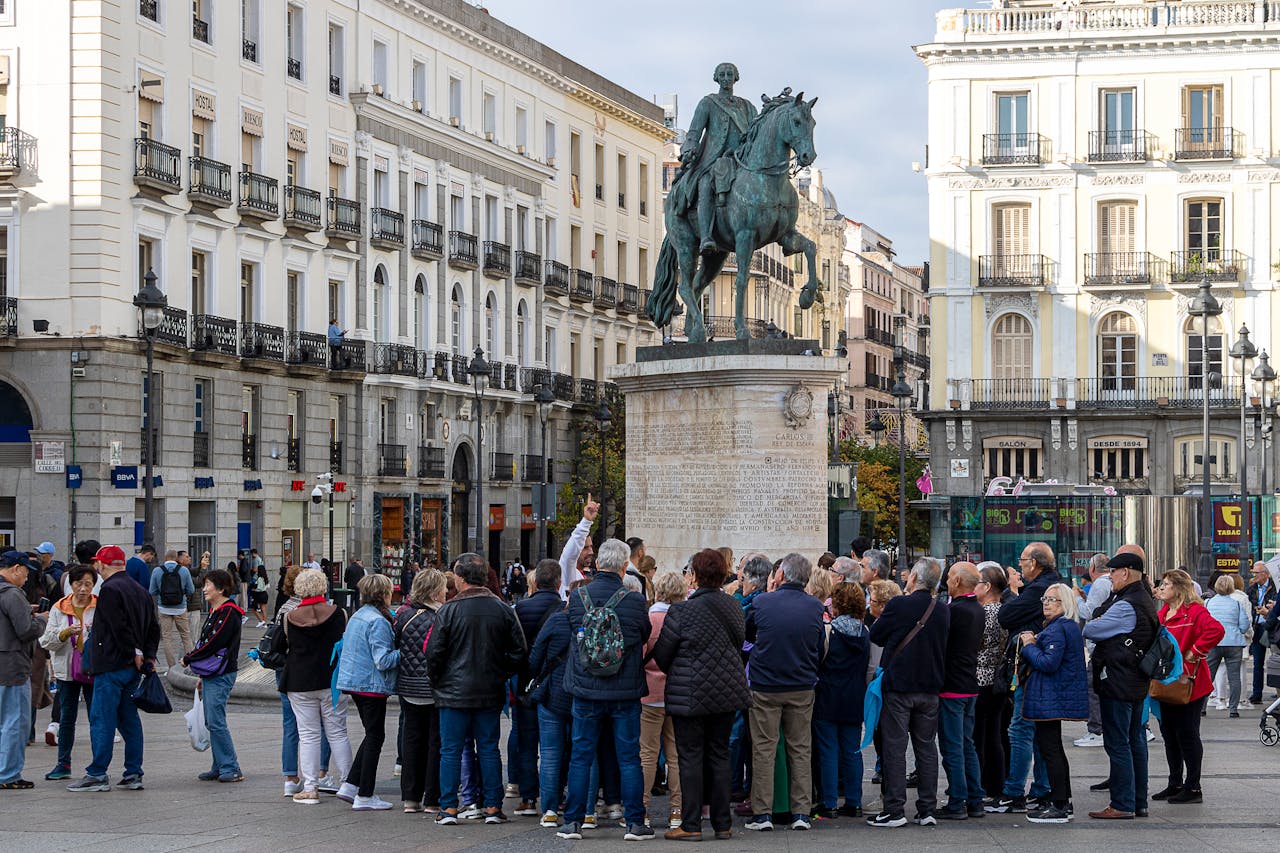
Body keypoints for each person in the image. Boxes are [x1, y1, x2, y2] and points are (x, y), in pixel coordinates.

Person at [556, 539, 653, 841]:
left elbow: (573, 632)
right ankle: (634, 823)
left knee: (581, 756)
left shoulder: (578, 596)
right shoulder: (635, 600)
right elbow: (643, 635)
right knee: (629, 757)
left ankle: (573, 822)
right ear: (624, 567)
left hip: (586, 689)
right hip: (625, 691)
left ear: (597, 564)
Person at [651, 549, 750, 841]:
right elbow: (739, 642)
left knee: (690, 757)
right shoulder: (733, 606)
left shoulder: (681, 611)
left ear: (694, 575)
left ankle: (691, 824)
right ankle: (722, 823)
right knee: (719, 754)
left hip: (690, 692)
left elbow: (663, 654)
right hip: (726, 690)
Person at [425, 553, 526, 825]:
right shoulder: (502, 609)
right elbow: (519, 651)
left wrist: (439, 680)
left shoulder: (448, 610)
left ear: (460, 578)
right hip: (489, 689)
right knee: (489, 748)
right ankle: (492, 806)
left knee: (451, 750)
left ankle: (449, 807)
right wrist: (500, 672)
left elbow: (434, 653)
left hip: (453, 691)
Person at [743, 552, 825, 832]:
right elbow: (818, 644)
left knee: (764, 749)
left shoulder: (763, 602)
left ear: (780, 575)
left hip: (766, 685)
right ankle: (801, 811)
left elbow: (747, 633)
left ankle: (763, 813)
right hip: (801, 684)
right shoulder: (814, 606)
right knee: (800, 748)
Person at [867, 557, 950, 828]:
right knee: (926, 748)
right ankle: (927, 809)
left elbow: (876, 635)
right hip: (930, 686)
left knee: (895, 747)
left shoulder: (899, 605)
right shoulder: (942, 610)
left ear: (913, 577)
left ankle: (894, 809)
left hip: (899, 686)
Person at [67, 545, 158, 792]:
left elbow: (118, 627)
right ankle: (133, 773)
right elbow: (153, 627)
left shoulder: (109, 589)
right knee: (129, 719)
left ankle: (97, 773)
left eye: (97, 563)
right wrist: (147, 656)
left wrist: (132, 651)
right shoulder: (140, 590)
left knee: (102, 719)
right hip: (132, 668)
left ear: (102, 565)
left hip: (111, 664)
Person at [1081, 550, 1157, 820]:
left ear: (1125, 572)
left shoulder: (1126, 604)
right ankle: (1138, 802)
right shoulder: (1142, 598)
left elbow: (1090, 629)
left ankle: (1122, 803)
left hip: (1118, 680)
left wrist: (1099, 621)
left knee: (1118, 743)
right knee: (1135, 740)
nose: (1109, 577)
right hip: (1135, 679)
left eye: (1113, 572)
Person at [988, 542, 1059, 813]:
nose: (1020, 565)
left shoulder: (1039, 589)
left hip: (1030, 669)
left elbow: (1006, 616)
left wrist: (1012, 596)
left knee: (1020, 729)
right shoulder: (1052, 585)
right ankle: (1042, 789)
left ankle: (1014, 791)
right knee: (1040, 732)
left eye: (1022, 560)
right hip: (1041, 669)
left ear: (1035, 563)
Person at [668, 61, 758, 255]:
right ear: (716, 78)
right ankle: (706, 237)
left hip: (742, 160)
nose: (726, 78)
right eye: (722, 75)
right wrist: (689, 149)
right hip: (713, 160)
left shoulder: (747, 107)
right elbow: (694, 133)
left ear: (736, 78)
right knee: (706, 184)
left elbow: (757, 132)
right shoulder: (708, 103)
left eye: (729, 74)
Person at [1018, 582, 1088, 824]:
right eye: (1045, 599)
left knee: (1051, 750)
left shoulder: (1058, 628)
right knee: (1054, 748)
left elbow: (1048, 663)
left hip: (1050, 696)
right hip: (1054, 696)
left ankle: (1060, 804)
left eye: (1052, 600)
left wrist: (1029, 645)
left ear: (1065, 603)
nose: (1046, 604)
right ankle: (1061, 799)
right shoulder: (1065, 626)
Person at [281, 568, 352, 806]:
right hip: (332, 681)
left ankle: (310, 788)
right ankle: (348, 783)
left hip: (300, 681)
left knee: (308, 734)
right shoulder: (340, 614)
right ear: (323, 587)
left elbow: (281, 647)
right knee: (337, 733)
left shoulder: (289, 617)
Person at [1153, 568, 1224, 805]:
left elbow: (1216, 630)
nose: (1161, 588)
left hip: (1189, 683)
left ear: (1179, 588)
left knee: (1187, 733)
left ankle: (1193, 786)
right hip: (1166, 682)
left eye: (1166, 584)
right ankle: (1175, 782)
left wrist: (1195, 651)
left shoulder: (1194, 611)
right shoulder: (1163, 612)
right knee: (1169, 734)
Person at [333, 573, 400, 810]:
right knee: (375, 737)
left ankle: (351, 785)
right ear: (384, 594)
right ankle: (365, 794)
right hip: (371, 686)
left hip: (355, 682)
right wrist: (407, 651)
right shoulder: (378, 621)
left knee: (372, 734)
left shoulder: (359, 615)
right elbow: (383, 660)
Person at [811, 581, 871, 821]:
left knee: (828, 750)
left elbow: (817, 661)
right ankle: (854, 801)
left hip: (828, 696)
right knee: (853, 750)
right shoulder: (865, 632)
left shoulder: (828, 631)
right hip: (854, 697)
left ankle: (829, 802)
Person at [512, 559, 567, 818]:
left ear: (534, 581)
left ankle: (528, 797)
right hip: (554, 683)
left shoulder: (520, 608)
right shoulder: (564, 609)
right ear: (559, 583)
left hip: (526, 682)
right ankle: (556, 795)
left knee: (526, 741)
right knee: (556, 744)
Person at [182, 568, 244, 783]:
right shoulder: (216, 611)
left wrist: (190, 658)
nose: (204, 589)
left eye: (208, 585)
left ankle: (231, 767)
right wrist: (202, 674)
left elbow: (214, 642)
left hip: (222, 672)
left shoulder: (229, 612)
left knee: (216, 721)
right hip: (212, 672)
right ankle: (219, 765)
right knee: (211, 720)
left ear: (221, 588)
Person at [39, 564, 97, 781]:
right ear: (71, 584)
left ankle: (98, 766)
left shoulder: (99, 606)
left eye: (88, 584)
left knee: (96, 718)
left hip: (93, 670)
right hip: (66, 670)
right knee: (66, 718)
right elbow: (46, 641)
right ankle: (63, 764)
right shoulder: (59, 607)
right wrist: (64, 634)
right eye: (78, 584)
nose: (83, 589)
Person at [395, 568, 447, 814]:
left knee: (412, 739)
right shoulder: (442, 617)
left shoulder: (404, 615)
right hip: (434, 687)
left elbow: (396, 644)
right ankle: (432, 798)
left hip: (408, 686)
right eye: (444, 588)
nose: (446, 592)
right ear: (436, 592)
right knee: (435, 742)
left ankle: (410, 797)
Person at [937, 562, 985, 820]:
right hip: (969, 685)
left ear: (956, 581)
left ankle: (957, 800)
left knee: (952, 746)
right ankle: (975, 799)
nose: (946, 581)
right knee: (967, 744)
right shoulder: (977, 609)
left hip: (951, 687)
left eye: (949, 577)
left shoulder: (953, 611)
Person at [527, 568, 574, 828]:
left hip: (553, 692)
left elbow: (535, 657)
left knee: (550, 752)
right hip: (582, 693)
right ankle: (586, 810)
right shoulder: (591, 620)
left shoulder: (556, 620)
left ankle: (550, 810)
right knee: (583, 753)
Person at [640, 570, 686, 831]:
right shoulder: (685, 620)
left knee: (647, 754)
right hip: (678, 694)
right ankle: (677, 811)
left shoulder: (650, 619)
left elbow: (641, 655)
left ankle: (643, 809)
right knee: (676, 756)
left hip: (650, 693)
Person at [0, 550, 47, 788]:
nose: (27, 577)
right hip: (12, 667)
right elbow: (26, 630)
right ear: (16, 568)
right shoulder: (12, 594)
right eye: (26, 572)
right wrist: (42, 619)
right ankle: (9, 775)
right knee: (15, 722)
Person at [973, 563, 1010, 800]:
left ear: (987, 586)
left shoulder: (986, 613)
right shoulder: (1003, 610)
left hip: (981, 678)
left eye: (976, 583)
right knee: (994, 734)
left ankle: (984, 784)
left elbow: (976, 644)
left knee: (981, 736)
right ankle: (995, 784)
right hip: (996, 679)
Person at [1073, 553, 1112, 748]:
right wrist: (1086, 598)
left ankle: (1096, 730)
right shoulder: (1109, 582)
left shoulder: (1100, 583)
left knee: (1093, 687)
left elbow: (1088, 612)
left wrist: (1076, 599)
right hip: (1109, 644)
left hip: (1099, 646)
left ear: (1092, 568)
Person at [1206, 574, 1252, 717]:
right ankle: (1233, 709)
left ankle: (1202, 707)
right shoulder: (1236, 604)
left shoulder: (1208, 603)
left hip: (1214, 642)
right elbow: (1244, 625)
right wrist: (1237, 631)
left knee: (1208, 676)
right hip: (1233, 642)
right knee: (1234, 677)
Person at [149, 550, 195, 674]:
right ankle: (190, 666)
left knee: (167, 638)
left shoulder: (157, 571)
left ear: (165, 557)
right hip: (180, 608)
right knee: (186, 636)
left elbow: (152, 591)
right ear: (176, 559)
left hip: (163, 608)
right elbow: (191, 590)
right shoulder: (184, 570)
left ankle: (171, 668)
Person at [1246, 561, 1276, 705]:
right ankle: (1256, 693)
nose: (1254, 575)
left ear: (1265, 574)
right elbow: (1248, 606)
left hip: (1273, 627)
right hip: (1258, 627)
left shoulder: (1274, 587)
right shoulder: (1252, 589)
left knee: (1276, 660)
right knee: (1258, 662)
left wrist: (1268, 612)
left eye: (1257, 573)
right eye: (1254, 572)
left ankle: (1277, 691)